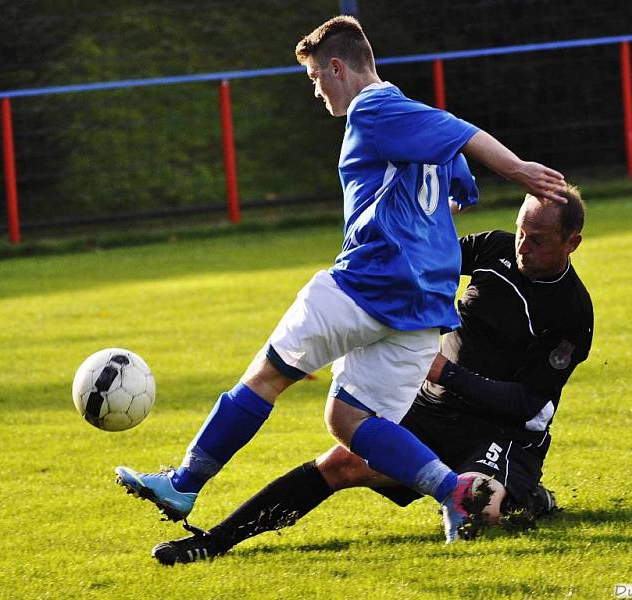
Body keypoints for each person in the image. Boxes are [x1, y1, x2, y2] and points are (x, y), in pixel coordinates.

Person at [114, 15, 568, 544]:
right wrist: (459, 190)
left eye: (314, 78)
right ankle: (453, 491)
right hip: (424, 311)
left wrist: (519, 170)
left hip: (369, 283)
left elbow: (460, 132)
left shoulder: (372, 106)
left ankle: (183, 484)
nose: (315, 91)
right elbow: (457, 164)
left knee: (266, 377)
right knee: (349, 421)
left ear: (337, 66)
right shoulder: (407, 114)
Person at [151, 187, 593, 565]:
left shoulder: (571, 311)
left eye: (537, 240)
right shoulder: (495, 249)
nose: (521, 246)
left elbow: (527, 403)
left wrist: (447, 371)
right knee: (341, 463)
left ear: (571, 243)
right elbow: (421, 259)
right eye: (520, 231)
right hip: (432, 405)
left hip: (502, 431)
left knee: (481, 506)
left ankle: (527, 497)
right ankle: (212, 543)